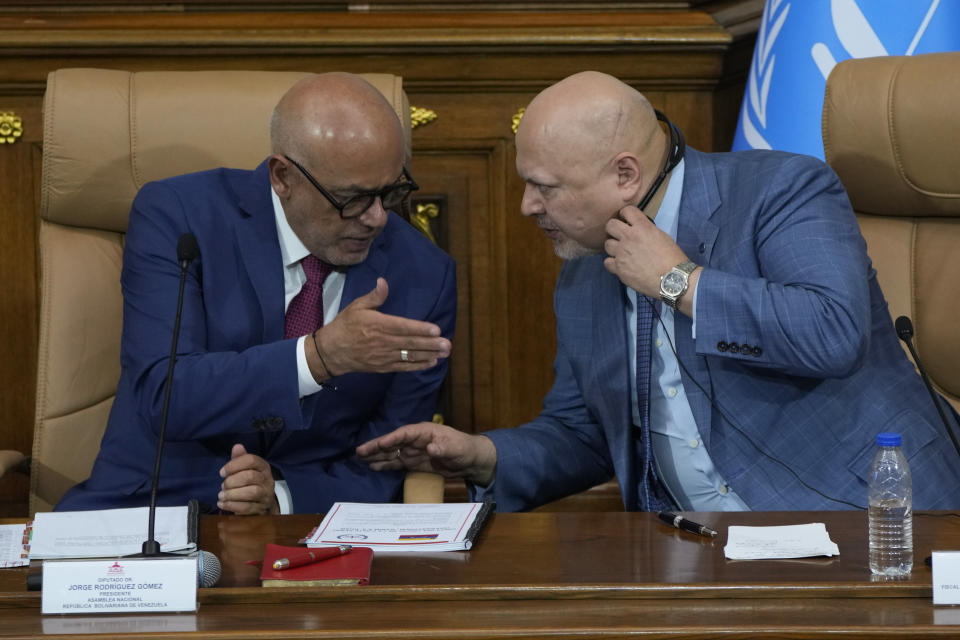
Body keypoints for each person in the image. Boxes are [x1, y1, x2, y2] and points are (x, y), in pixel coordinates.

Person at [357, 70, 960, 512]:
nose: (526, 206)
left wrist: (678, 282)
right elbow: (583, 435)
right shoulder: (583, 272)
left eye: (546, 187)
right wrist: (480, 455)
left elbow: (834, 333)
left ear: (625, 175)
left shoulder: (781, 190)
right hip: (684, 547)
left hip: (859, 518)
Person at [56, 73, 455, 515]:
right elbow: (165, 392)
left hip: (309, 523)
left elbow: (391, 452)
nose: (377, 218)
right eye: (352, 198)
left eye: (390, 192)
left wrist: (284, 496)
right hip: (152, 512)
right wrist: (317, 358)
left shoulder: (424, 272)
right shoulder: (179, 216)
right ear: (283, 177)